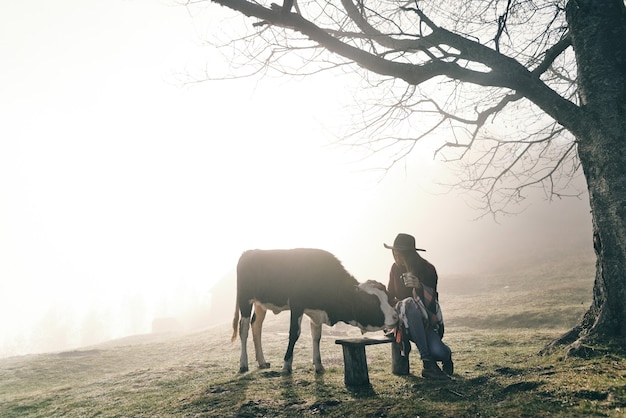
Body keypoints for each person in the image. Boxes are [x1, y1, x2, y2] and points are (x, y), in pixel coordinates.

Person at [385, 233, 453, 380]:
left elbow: (432, 299)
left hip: (425, 320)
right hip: (404, 321)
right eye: (394, 254)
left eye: (400, 255)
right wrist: (399, 305)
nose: (396, 258)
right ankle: (428, 364)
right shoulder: (395, 269)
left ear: (409, 254)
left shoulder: (427, 269)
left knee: (440, 353)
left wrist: (420, 287)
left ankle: (447, 358)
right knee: (408, 303)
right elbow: (390, 295)